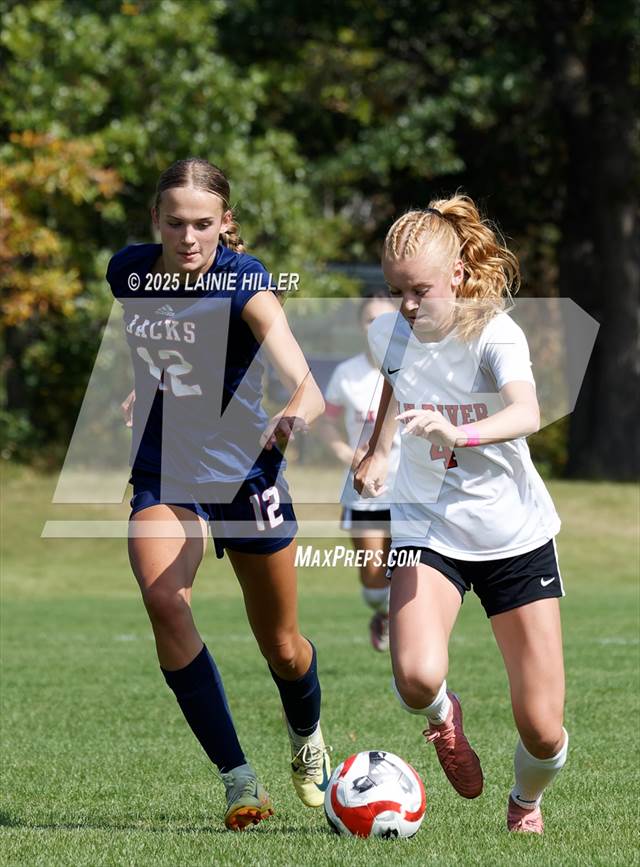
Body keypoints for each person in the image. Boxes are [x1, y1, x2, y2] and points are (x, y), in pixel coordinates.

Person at [107, 157, 331, 831]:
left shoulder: (248, 284)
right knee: (162, 598)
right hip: (166, 471)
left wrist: (297, 411)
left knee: (283, 645)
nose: (188, 236)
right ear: (155, 220)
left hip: (246, 476)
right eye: (175, 222)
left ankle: (306, 738)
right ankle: (239, 780)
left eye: (203, 223)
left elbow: (305, 381)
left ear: (224, 222)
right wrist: (142, 386)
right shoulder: (127, 271)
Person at [354, 195, 568, 834]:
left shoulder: (496, 334)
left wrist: (456, 432)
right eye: (397, 291)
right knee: (417, 676)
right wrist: (378, 448)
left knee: (542, 727)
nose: (408, 306)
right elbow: (396, 381)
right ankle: (446, 717)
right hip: (427, 525)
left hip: (513, 534)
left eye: (420, 290)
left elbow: (527, 413)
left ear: (458, 276)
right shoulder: (391, 332)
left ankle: (525, 802)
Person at [321, 294, 400, 651]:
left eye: (384, 319)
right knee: (372, 582)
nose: (376, 327)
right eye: (369, 320)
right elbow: (327, 422)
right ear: (360, 326)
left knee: (414, 571)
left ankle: (409, 631)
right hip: (364, 491)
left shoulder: (414, 368)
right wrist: (343, 451)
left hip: (411, 490)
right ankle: (380, 613)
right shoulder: (346, 374)